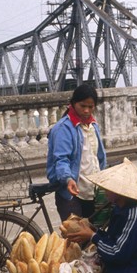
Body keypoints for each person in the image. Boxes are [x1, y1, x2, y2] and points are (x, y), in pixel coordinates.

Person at [47, 84, 108, 222]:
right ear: (73, 103)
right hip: (71, 193)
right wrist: (68, 179)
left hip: (92, 190)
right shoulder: (63, 128)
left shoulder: (93, 126)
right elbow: (61, 160)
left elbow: (98, 157)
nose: (86, 110)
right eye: (82, 106)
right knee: (76, 238)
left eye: (90, 107)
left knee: (92, 235)